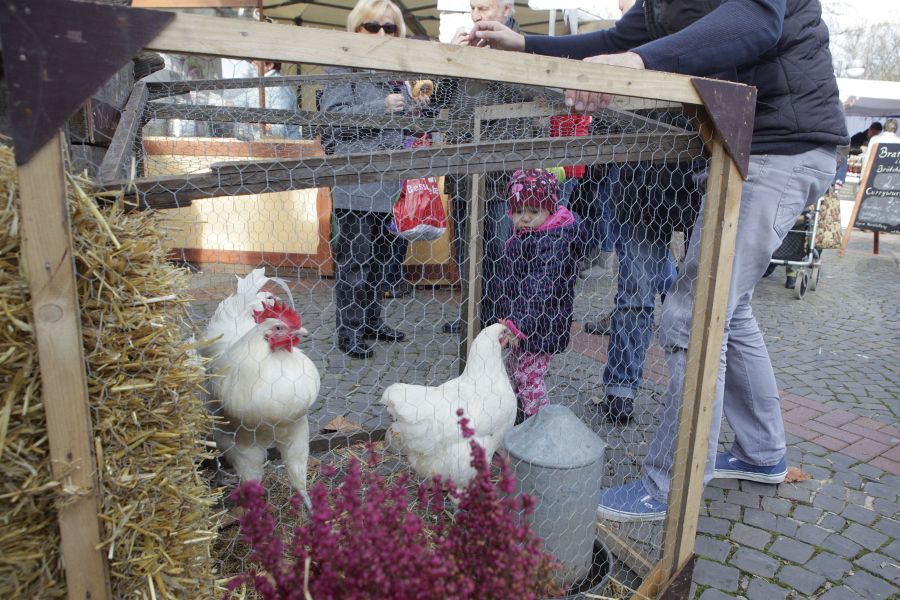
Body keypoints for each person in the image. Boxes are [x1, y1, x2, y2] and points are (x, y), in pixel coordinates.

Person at [472, 0, 847, 521]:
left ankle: (670, 487)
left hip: (777, 147)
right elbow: (613, 41)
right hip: (747, 144)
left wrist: (638, 61)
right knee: (730, 309)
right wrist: (527, 43)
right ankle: (762, 452)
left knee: (694, 315)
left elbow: (759, 18)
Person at [320, 0, 428, 359]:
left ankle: (371, 321)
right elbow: (332, 118)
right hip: (356, 180)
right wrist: (380, 107)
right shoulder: (343, 66)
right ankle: (349, 331)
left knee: (382, 261)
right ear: (356, 28)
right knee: (355, 262)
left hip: (390, 182)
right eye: (373, 26)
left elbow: (406, 128)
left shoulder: (397, 72)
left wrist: (416, 110)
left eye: (390, 27)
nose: (382, 33)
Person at [441, 0, 527, 335]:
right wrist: (452, 59)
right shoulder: (467, 46)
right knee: (466, 251)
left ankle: (498, 322)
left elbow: (533, 99)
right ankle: (471, 314)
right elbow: (440, 102)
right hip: (463, 170)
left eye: (485, 8)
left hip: (501, 172)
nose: (477, 15)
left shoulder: (521, 45)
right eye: (473, 7)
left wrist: (496, 54)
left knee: (499, 252)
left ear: (506, 9)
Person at [498, 169, 589, 422]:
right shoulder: (528, 235)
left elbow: (539, 288)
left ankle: (540, 425)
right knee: (513, 369)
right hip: (524, 324)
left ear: (550, 209)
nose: (525, 217)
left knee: (529, 377)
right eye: (518, 211)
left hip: (540, 326)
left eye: (533, 211)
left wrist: (517, 325)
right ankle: (517, 418)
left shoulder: (552, 243)